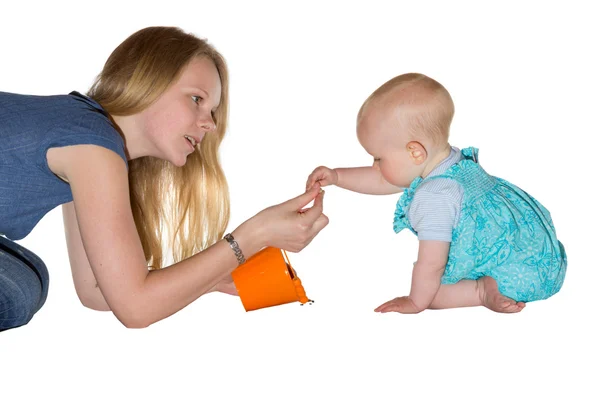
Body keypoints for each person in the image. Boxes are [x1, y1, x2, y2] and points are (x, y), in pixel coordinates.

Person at [0, 26, 328, 332]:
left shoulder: (85, 141)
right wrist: (254, 235)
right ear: (149, 82)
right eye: (197, 99)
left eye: (212, 111)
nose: (209, 124)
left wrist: (213, 279)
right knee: (18, 289)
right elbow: (135, 308)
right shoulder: (91, 145)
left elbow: (97, 290)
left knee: (25, 280)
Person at [305, 72, 566, 314]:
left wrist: (416, 302)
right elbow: (386, 179)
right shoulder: (447, 162)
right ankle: (483, 282)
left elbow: (432, 263)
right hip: (540, 253)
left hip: (521, 277)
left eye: (378, 157)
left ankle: (481, 290)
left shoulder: (435, 197)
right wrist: (337, 176)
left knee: (433, 295)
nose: (375, 166)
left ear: (415, 152)